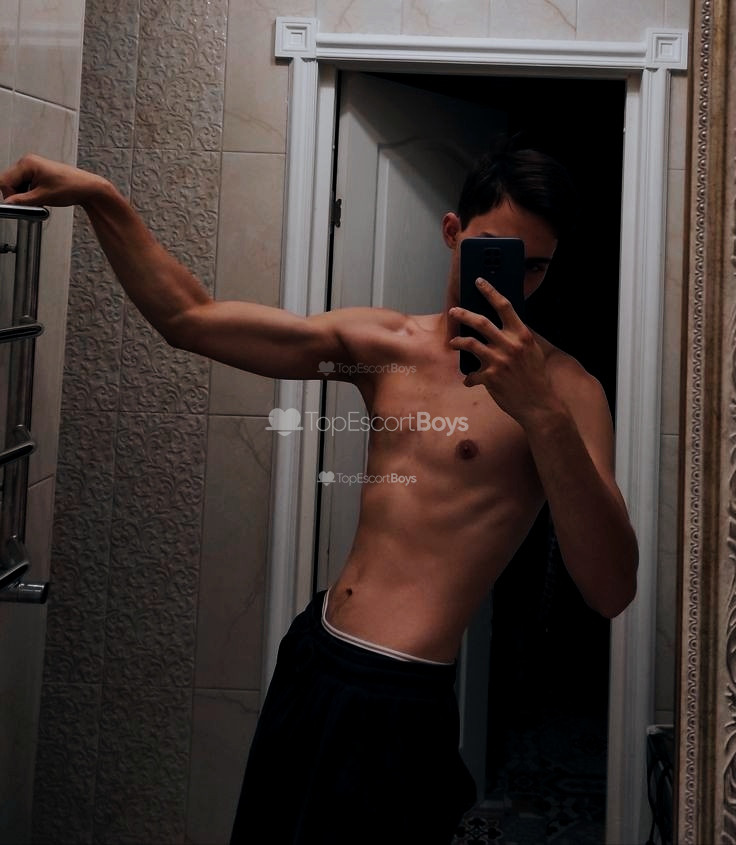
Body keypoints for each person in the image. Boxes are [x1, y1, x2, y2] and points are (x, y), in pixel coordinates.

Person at [0, 147, 638, 845]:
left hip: (400, 695)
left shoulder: (568, 391)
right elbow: (189, 318)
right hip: (316, 656)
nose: (511, 282)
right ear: (453, 232)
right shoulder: (387, 344)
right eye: (496, 252)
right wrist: (101, 197)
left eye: (534, 266)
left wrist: (540, 413)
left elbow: (610, 589)